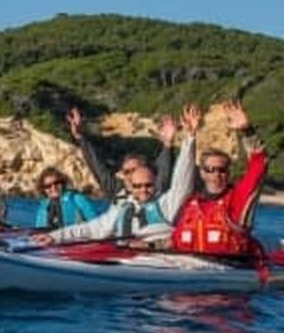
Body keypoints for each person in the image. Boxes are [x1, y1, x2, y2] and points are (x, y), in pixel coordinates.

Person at [34, 104, 200, 248]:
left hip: (157, 257)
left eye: (147, 185)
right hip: (127, 258)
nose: (143, 189)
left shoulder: (165, 202)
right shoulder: (122, 205)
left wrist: (189, 138)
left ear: (153, 182)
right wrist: (55, 236)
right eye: (137, 185)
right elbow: (92, 228)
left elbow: (183, 179)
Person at [171, 100, 267, 256]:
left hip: (229, 271)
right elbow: (174, 241)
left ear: (228, 173)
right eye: (210, 170)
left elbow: (259, 166)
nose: (216, 175)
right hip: (188, 270)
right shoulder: (190, 204)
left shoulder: (237, 200)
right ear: (202, 173)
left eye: (222, 170)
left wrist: (247, 131)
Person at [67, 107, 177, 202]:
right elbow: (97, 165)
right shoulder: (116, 189)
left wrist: (168, 144)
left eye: (134, 170)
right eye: (126, 172)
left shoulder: (155, 189)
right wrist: (80, 137)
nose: (129, 175)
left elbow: (164, 169)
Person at [34, 167, 98, 230]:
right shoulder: (43, 208)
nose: (53, 187)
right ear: (43, 189)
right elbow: (39, 230)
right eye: (48, 186)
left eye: (56, 183)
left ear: (62, 183)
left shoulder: (77, 199)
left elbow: (95, 223)